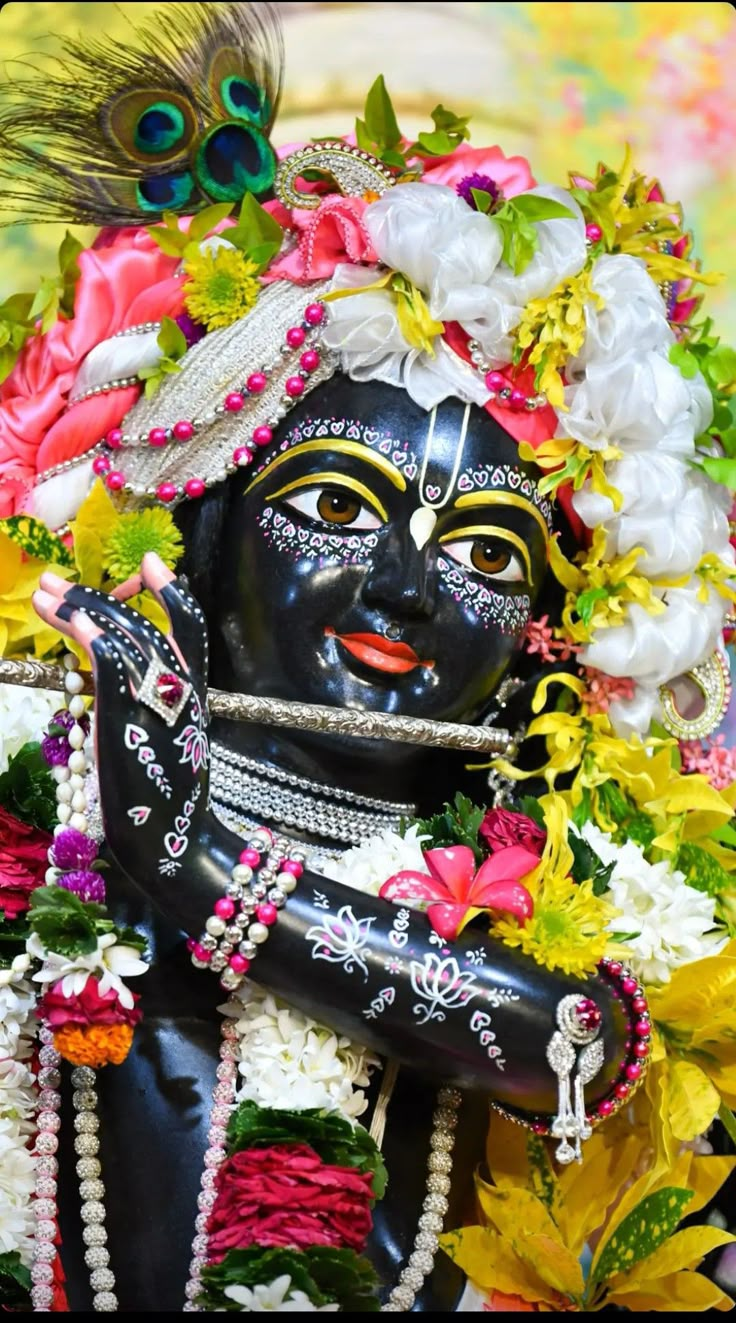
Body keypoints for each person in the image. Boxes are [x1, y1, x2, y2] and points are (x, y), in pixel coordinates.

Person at [1, 2, 734, 1315]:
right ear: (202, 526)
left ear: (541, 648)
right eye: (338, 506)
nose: (402, 585)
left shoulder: (580, 872)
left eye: (489, 554)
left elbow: (569, 1042)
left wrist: (195, 863)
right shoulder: (40, 788)